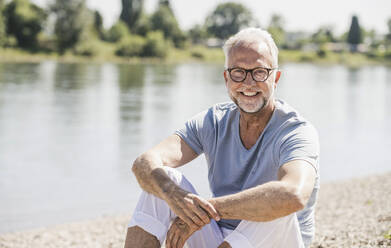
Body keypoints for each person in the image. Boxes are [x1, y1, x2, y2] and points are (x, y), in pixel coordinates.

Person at [124, 27, 320, 248]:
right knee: (163, 179)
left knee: (279, 205)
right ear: (226, 78)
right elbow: (143, 163)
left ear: (276, 78)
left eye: (259, 72)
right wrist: (173, 195)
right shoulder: (213, 121)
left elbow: (294, 194)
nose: (248, 83)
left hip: (277, 240)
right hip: (219, 238)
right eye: (238, 72)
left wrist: (206, 210)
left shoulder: (296, 131)